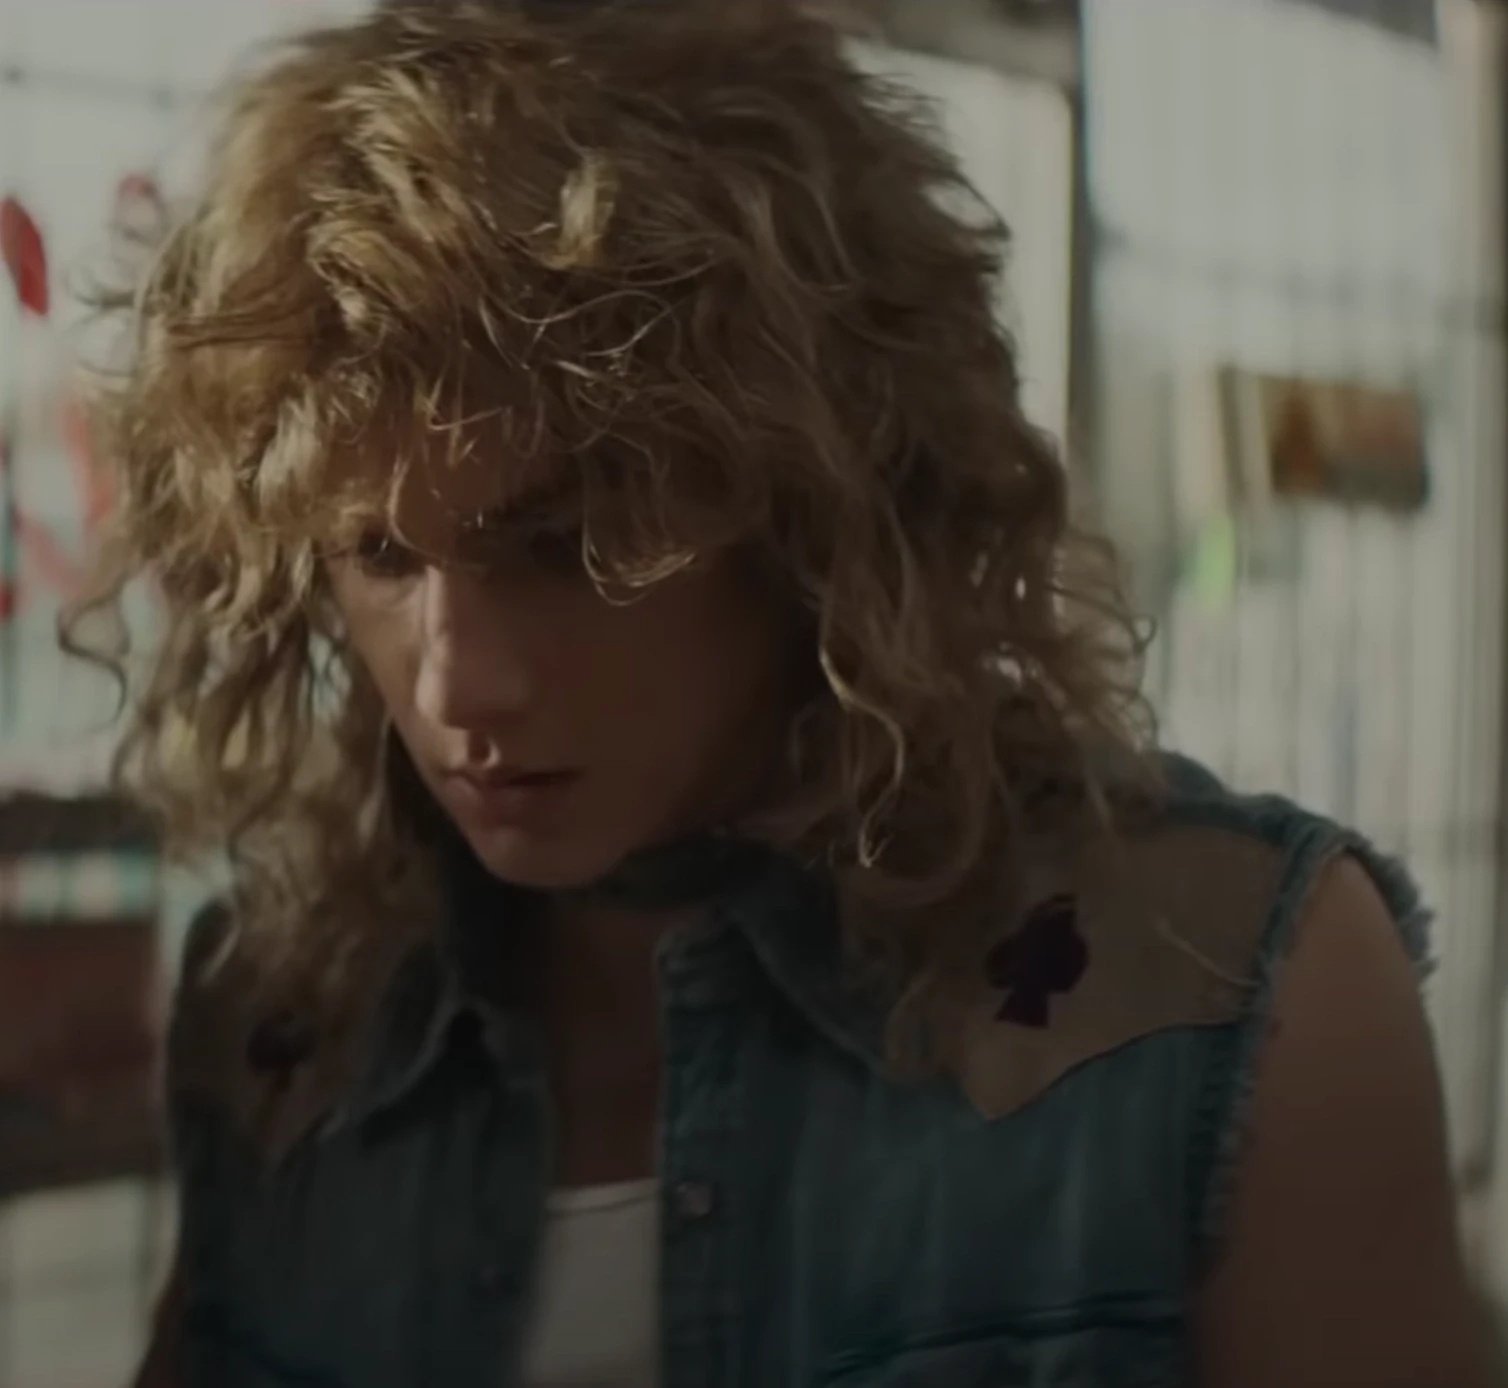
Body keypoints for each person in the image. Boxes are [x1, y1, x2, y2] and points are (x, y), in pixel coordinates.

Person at [70, 3, 1487, 1385]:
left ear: (817, 513)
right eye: (380, 553)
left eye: (566, 545)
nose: (457, 680)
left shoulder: (1228, 1000)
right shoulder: (287, 1017)